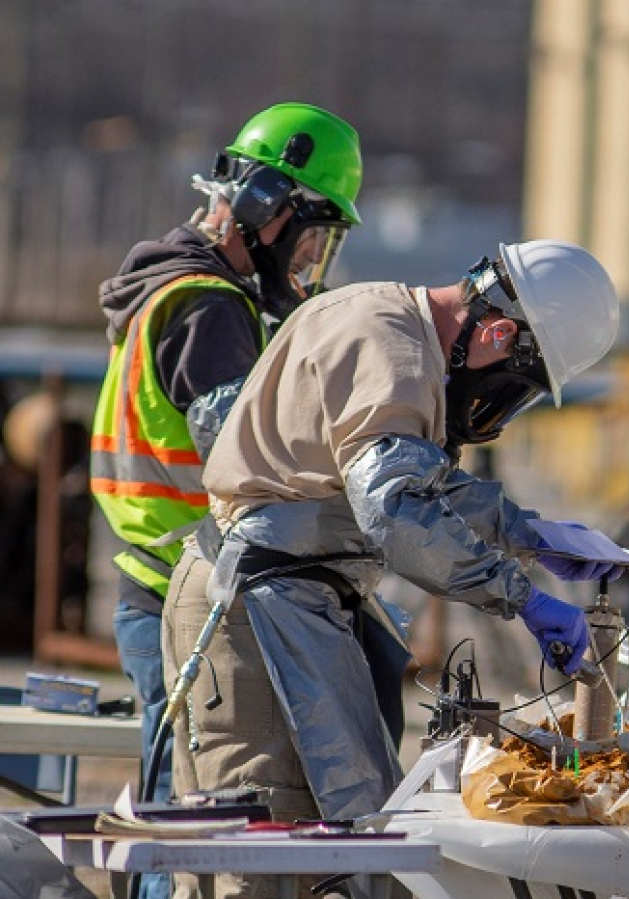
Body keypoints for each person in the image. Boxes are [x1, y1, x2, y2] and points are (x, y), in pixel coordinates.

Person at [161, 240, 621, 897]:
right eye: (516, 384)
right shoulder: (391, 347)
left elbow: (419, 482)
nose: (501, 405)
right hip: (253, 605)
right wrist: (521, 597)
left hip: (285, 593)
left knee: (344, 840)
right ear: (496, 330)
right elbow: (396, 510)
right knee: (255, 852)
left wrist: (528, 532)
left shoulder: (387, 322)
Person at [88, 101, 362, 899]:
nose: (311, 261)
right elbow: (251, 458)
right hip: (181, 592)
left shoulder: (178, 289)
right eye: (311, 237)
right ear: (263, 208)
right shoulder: (207, 308)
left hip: (155, 581)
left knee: (177, 810)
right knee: (181, 825)